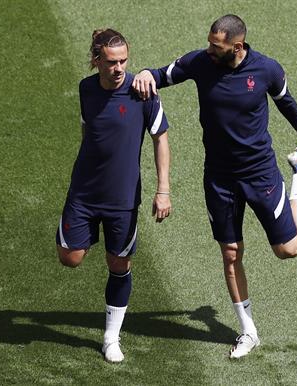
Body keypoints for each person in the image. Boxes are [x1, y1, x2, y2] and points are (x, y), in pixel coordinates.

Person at [132, 14, 297, 359]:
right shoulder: (201, 63)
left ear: (238, 46)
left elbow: (286, 102)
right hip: (219, 178)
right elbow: (162, 75)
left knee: (288, 249)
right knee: (231, 253)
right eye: (208, 43)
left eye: (216, 46)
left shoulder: (267, 70)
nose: (208, 50)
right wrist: (145, 73)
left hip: (260, 174)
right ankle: (248, 331)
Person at [56, 28, 171, 363]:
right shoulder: (85, 89)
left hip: (123, 199)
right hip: (84, 192)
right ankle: (83, 231)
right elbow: (87, 128)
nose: (119, 67)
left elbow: (160, 138)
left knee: (118, 264)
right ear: (96, 60)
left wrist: (163, 190)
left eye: (123, 60)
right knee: (70, 258)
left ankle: (110, 337)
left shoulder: (143, 93)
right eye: (111, 61)